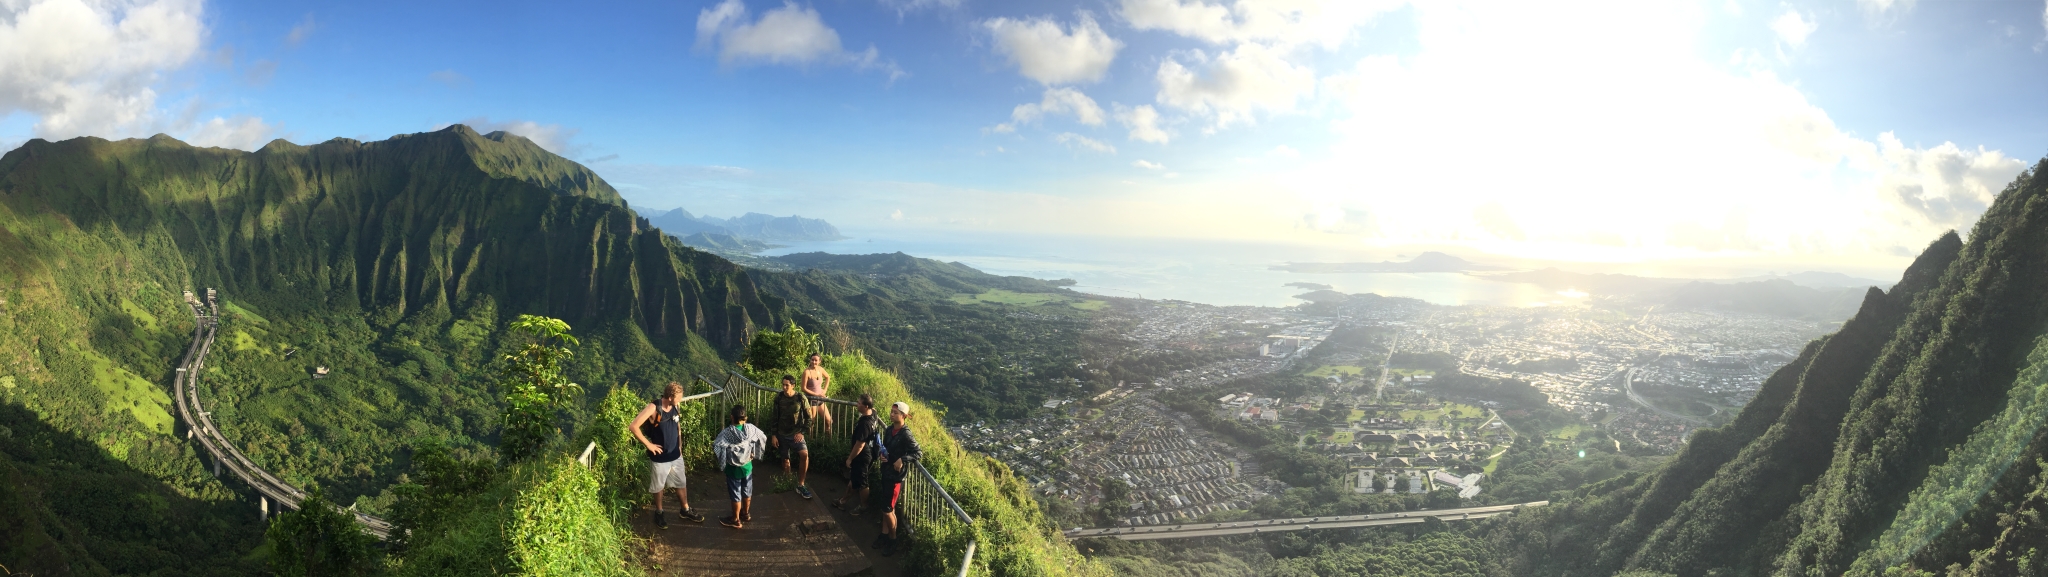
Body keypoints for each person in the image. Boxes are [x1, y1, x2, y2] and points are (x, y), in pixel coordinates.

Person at [629, 382, 704, 529]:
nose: (680, 401)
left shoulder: (676, 406)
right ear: (670, 397)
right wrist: (649, 445)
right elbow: (633, 426)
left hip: (676, 455)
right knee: (659, 486)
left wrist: (680, 446)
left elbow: (677, 426)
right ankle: (659, 512)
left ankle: (685, 509)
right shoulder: (654, 407)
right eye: (678, 398)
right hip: (660, 457)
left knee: (681, 483)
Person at [874, 401, 922, 557]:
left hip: (896, 477)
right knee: (886, 507)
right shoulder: (889, 430)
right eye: (891, 411)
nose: (892, 414)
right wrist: (882, 455)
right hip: (886, 472)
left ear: (903, 416)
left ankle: (893, 540)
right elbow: (886, 448)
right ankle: (884, 535)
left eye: (895, 412)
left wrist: (903, 459)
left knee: (888, 509)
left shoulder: (906, 433)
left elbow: (918, 452)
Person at [712, 403, 768, 529]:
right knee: (747, 491)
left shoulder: (727, 433)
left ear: (732, 417)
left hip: (733, 468)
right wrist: (754, 450)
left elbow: (717, 445)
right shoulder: (750, 429)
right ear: (745, 418)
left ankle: (735, 519)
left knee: (735, 494)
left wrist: (723, 457)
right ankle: (746, 513)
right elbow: (762, 436)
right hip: (747, 466)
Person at [769, 374, 815, 499]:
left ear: (793, 385)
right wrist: (774, 435)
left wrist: (802, 432)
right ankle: (788, 483)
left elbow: (809, 417)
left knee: (804, 454)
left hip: (796, 434)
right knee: (785, 460)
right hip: (781, 434)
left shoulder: (800, 398)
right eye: (783, 384)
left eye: (787, 385)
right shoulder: (778, 398)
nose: (784, 387)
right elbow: (774, 417)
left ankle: (801, 484)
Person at [833, 394, 881, 514]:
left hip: (862, 456)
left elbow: (859, 445)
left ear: (866, 406)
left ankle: (863, 506)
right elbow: (874, 410)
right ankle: (843, 501)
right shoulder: (873, 414)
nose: (856, 404)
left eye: (859, 403)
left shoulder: (864, 424)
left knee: (862, 482)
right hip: (869, 453)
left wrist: (850, 458)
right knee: (854, 479)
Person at [801, 353, 834, 429]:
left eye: (816, 360)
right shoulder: (806, 372)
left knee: (828, 420)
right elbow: (803, 388)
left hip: (820, 399)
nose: (814, 362)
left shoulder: (820, 369)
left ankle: (828, 439)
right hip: (811, 399)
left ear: (819, 361)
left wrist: (824, 390)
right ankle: (811, 439)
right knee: (812, 421)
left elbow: (827, 377)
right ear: (810, 360)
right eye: (812, 360)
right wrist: (816, 394)